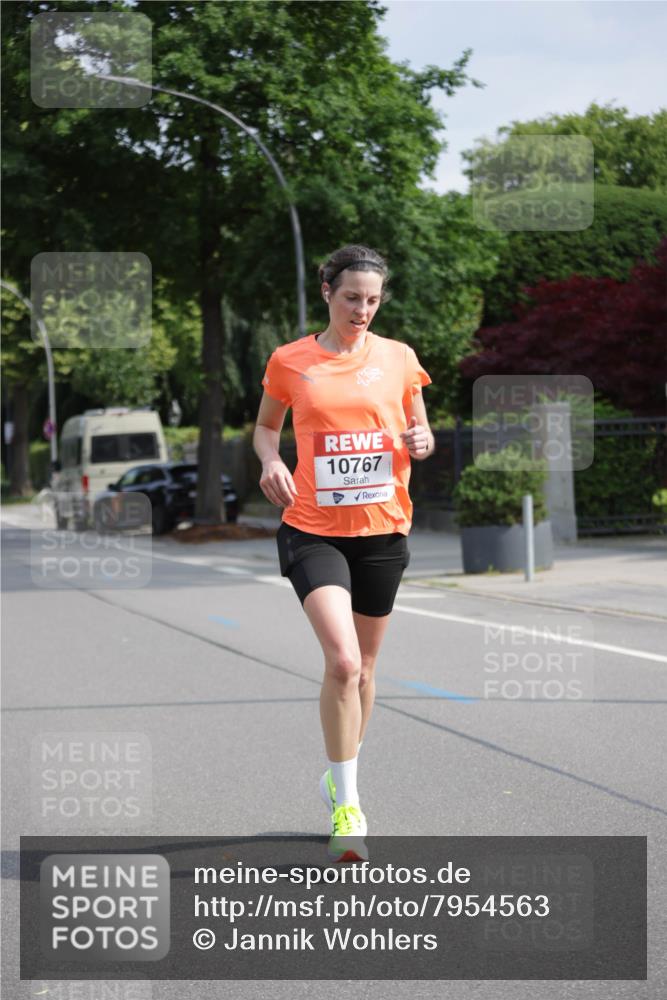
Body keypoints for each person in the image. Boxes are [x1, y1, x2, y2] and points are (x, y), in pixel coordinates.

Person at [253, 244, 434, 863]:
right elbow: (265, 428)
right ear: (327, 291)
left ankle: (340, 774)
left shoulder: (399, 358)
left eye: (373, 300)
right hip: (313, 529)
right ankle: (348, 806)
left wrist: (423, 439)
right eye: (352, 297)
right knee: (342, 661)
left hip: (383, 530)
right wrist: (271, 460)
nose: (362, 310)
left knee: (367, 670)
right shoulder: (290, 361)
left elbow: (419, 429)